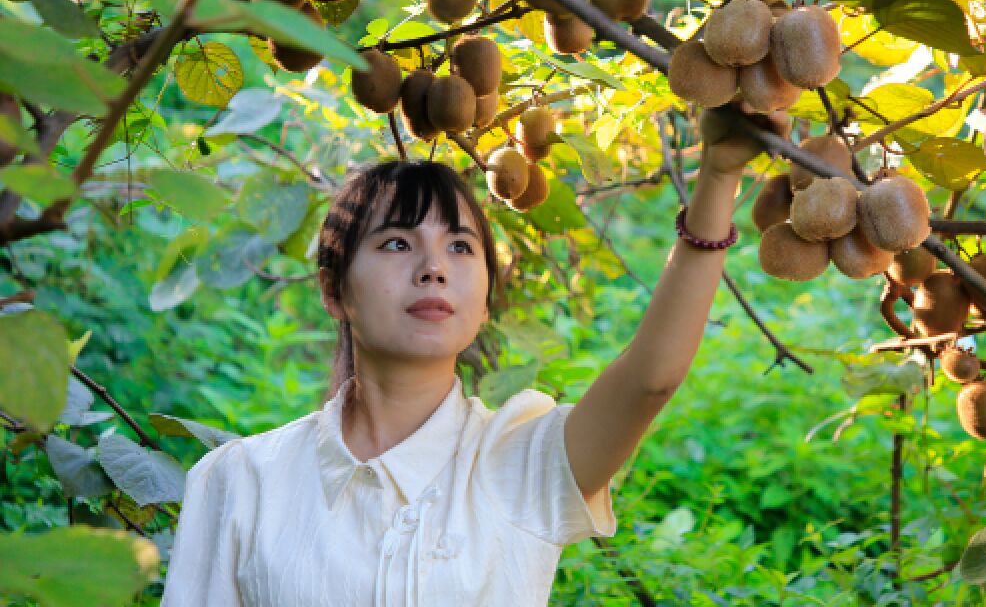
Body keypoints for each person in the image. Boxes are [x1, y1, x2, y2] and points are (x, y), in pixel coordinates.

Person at [157, 118, 765, 606]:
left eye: (459, 245)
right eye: (397, 243)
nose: (433, 267)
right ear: (333, 289)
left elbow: (649, 381)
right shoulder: (238, 481)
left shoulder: (523, 461)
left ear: (483, 297)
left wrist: (718, 177)